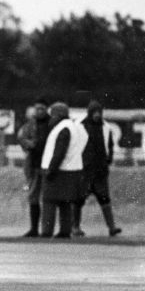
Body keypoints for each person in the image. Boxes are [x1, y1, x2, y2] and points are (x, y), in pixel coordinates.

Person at [73, 100, 122, 237]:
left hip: (100, 171)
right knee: (78, 199)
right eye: (94, 112)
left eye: (99, 112)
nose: (97, 115)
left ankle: (112, 227)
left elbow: (110, 146)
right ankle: (75, 227)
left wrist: (109, 159)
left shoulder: (106, 127)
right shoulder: (79, 126)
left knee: (105, 199)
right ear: (89, 112)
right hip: (84, 170)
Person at [40, 102, 88, 238]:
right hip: (73, 170)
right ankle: (64, 231)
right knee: (65, 202)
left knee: (49, 201)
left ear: (59, 115)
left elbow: (59, 152)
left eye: (53, 115)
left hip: (59, 171)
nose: (51, 118)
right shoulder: (74, 127)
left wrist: (51, 169)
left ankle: (46, 231)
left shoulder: (63, 128)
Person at [16, 98, 51, 237]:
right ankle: (34, 228)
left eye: (42, 108)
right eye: (37, 108)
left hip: (48, 166)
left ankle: (47, 229)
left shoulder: (51, 124)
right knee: (34, 197)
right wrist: (30, 144)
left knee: (49, 198)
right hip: (34, 165)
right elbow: (21, 138)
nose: (40, 111)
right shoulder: (30, 125)